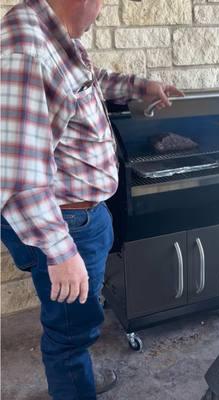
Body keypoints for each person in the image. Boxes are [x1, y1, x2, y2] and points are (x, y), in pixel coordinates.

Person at [0, 1, 183, 399]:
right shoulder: (27, 47)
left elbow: (90, 80)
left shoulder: (54, 36)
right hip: (67, 225)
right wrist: (61, 253)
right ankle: (73, 378)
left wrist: (141, 87)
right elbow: (16, 172)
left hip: (80, 219)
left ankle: (75, 370)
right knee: (68, 333)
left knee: (76, 325)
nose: (101, 10)